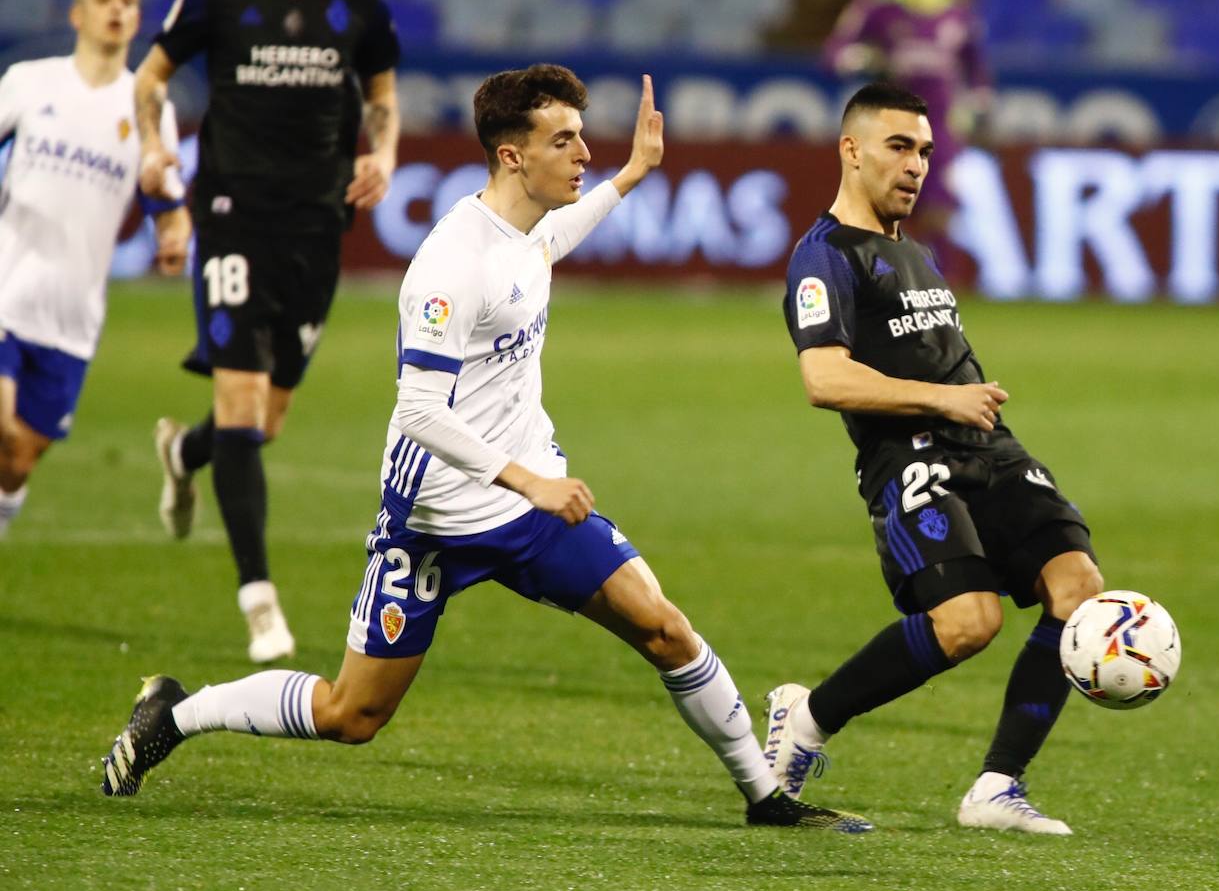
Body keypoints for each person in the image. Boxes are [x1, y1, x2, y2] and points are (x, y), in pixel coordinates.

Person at [100, 64, 872, 833]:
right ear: (512, 156)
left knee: (665, 628)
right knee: (352, 714)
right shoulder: (450, 264)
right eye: (563, 140)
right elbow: (418, 410)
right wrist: (528, 481)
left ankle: (767, 799)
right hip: (436, 517)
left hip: (531, 508)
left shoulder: (523, 236)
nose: (582, 154)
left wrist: (634, 175)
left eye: (582, 137)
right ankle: (178, 711)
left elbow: (548, 246)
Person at [764, 82, 1104, 835]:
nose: (917, 164)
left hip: (990, 448)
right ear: (850, 151)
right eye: (898, 146)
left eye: (923, 149)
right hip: (910, 455)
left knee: (1077, 587)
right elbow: (825, 379)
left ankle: (996, 789)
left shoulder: (912, 250)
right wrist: (944, 400)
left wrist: (966, 408)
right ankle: (808, 716)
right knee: (967, 623)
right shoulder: (824, 257)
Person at [134, 0, 402, 662]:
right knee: (241, 404)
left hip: (316, 225)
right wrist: (150, 146)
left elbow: (381, 96)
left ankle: (184, 452)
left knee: (264, 421)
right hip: (231, 217)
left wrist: (384, 153)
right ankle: (259, 601)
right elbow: (151, 77)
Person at [0, 0, 190, 538]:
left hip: (73, 318)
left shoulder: (151, 110)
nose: (117, 8)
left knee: (16, 464)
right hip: (7, 293)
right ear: (77, 13)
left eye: (128, 0)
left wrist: (173, 237)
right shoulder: (30, 84)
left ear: (137, 20)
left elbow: (169, 209)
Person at [822, 0, 993, 282]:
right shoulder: (880, 3)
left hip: (941, 125)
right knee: (884, 205)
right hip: (891, 127)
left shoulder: (957, 9)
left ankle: (940, 281)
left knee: (938, 209)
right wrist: (857, 57)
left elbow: (976, 64)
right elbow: (836, 50)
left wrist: (979, 98)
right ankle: (874, 278)